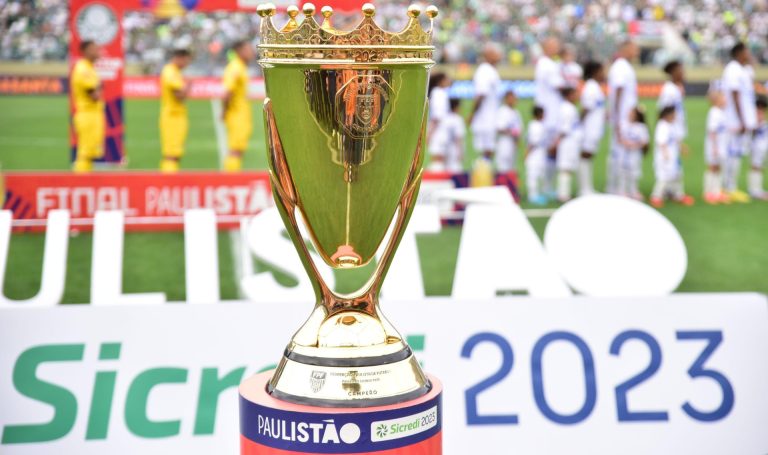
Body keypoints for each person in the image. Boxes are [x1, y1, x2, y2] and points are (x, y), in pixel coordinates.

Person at [721, 42, 757, 202]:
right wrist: (741, 120)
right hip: (736, 120)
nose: (748, 54)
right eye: (746, 51)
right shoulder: (733, 69)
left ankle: (731, 186)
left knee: (737, 153)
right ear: (738, 53)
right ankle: (729, 187)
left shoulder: (744, 69)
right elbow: (735, 95)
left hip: (743, 119)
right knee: (732, 153)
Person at [607, 40, 639, 194]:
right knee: (619, 154)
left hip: (626, 117)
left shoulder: (624, 66)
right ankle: (616, 188)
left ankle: (623, 187)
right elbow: (618, 91)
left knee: (625, 154)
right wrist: (617, 117)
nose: (637, 52)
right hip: (623, 117)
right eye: (634, 48)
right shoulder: (620, 67)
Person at [534, 37, 564, 196]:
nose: (557, 48)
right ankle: (544, 186)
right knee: (549, 151)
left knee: (551, 152)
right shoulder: (547, 65)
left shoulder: (547, 64)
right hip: (550, 115)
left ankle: (546, 186)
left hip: (550, 113)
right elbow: (559, 85)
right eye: (554, 45)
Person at [650, 105, 694, 208]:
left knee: (677, 175)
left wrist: (683, 148)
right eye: (673, 114)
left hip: (674, 157)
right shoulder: (662, 125)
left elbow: (676, 140)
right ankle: (656, 196)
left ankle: (678, 195)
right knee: (664, 177)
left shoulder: (672, 125)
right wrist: (665, 154)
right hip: (665, 157)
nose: (675, 116)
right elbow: (661, 142)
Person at [71, 40, 104, 173]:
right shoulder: (83, 69)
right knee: (85, 154)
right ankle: (80, 182)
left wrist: (99, 87)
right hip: (87, 115)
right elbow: (95, 94)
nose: (98, 51)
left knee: (89, 154)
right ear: (85, 51)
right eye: (94, 48)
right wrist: (100, 87)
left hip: (92, 114)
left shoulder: (89, 67)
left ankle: (86, 182)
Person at [222, 40, 255, 172]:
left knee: (238, 150)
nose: (251, 52)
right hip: (237, 114)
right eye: (248, 49)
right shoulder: (235, 67)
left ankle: (231, 177)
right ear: (239, 51)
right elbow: (227, 92)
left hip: (240, 113)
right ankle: (231, 179)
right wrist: (224, 111)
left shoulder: (240, 66)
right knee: (236, 150)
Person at [159, 48, 192, 173]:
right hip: (172, 117)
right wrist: (188, 86)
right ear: (180, 58)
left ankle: (171, 181)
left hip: (177, 116)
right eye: (187, 60)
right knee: (171, 155)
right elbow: (180, 94)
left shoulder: (175, 72)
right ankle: (168, 182)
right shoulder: (170, 72)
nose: (187, 64)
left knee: (175, 154)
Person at [468, 43, 502, 161]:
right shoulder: (484, 70)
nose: (500, 55)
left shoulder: (491, 70)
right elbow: (481, 94)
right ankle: (481, 177)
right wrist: (472, 114)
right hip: (485, 118)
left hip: (489, 117)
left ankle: (483, 174)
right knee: (486, 151)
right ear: (488, 55)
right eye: (496, 53)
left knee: (488, 152)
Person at [579, 60, 606, 195]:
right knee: (585, 155)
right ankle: (584, 188)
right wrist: (579, 124)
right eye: (602, 71)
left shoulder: (595, 86)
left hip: (595, 128)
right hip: (589, 128)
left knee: (589, 156)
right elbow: (586, 108)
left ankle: (587, 187)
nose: (604, 74)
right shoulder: (590, 87)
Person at [555, 87, 582, 202]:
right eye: (575, 94)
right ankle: (563, 194)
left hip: (571, 142)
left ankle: (564, 193)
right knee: (565, 168)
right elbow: (564, 129)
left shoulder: (569, 107)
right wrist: (556, 143)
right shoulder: (567, 109)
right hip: (567, 142)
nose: (577, 96)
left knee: (568, 168)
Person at [703, 90, 730, 204]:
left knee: (718, 167)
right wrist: (714, 147)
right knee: (712, 167)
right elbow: (712, 131)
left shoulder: (721, 112)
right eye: (723, 98)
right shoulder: (714, 112)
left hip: (721, 145)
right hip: (715, 146)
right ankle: (708, 191)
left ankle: (717, 191)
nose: (725, 100)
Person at [619, 106, 649, 200]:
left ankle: (633, 190)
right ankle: (623, 190)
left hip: (635, 154)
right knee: (623, 172)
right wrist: (625, 143)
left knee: (634, 172)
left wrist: (635, 145)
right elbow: (619, 137)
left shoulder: (641, 127)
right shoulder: (624, 124)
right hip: (624, 153)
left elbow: (645, 142)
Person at [429, 98, 465, 173]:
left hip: (443, 144)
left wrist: (429, 136)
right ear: (457, 107)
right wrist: (460, 151)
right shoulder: (458, 119)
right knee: (454, 168)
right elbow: (458, 137)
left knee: (438, 165)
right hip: (452, 148)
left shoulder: (444, 117)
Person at [658, 60, 687, 143]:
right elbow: (664, 113)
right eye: (680, 71)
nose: (683, 73)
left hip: (676, 132)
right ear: (674, 73)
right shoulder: (669, 90)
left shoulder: (676, 89)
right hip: (671, 135)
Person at [427, 72, 452, 169]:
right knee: (439, 159)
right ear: (441, 81)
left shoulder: (439, 93)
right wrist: (431, 132)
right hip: (440, 130)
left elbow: (437, 116)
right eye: (447, 79)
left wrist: (430, 133)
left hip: (439, 130)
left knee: (438, 159)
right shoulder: (439, 93)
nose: (449, 81)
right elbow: (437, 116)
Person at [495, 90, 522, 173]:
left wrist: (517, 138)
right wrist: (511, 132)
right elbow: (499, 128)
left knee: (512, 169)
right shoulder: (502, 111)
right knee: (503, 169)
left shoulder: (516, 113)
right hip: (504, 143)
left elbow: (519, 129)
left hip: (513, 145)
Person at [525, 106, 548, 205]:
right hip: (535, 154)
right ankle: (533, 195)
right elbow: (533, 143)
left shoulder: (537, 125)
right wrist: (527, 153)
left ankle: (538, 194)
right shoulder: (535, 126)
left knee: (539, 174)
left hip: (539, 153)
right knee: (533, 175)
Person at [749, 96, 768, 200]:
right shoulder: (753, 117)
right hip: (756, 145)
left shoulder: (763, 117)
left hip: (763, 145)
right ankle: (754, 190)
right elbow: (752, 132)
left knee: (760, 166)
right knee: (756, 165)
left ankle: (758, 189)